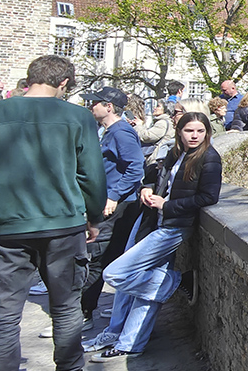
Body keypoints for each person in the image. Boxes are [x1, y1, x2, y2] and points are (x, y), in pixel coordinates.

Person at [0, 55, 106, 370]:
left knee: (3, 314)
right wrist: (94, 215)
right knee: (66, 308)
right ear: (64, 83)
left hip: (5, 227)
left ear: (31, 77)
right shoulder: (77, 116)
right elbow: (91, 175)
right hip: (62, 224)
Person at [83, 112, 222, 362]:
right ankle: (125, 340)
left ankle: (177, 281)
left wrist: (166, 205)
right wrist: (146, 188)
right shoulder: (175, 152)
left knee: (115, 274)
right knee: (142, 287)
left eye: (200, 131)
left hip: (173, 227)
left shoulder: (209, 158)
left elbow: (209, 197)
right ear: (179, 131)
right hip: (150, 221)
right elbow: (153, 173)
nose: (195, 136)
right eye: (189, 131)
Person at [75, 87, 145, 334]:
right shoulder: (110, 131)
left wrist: (114, 196)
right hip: (112, 203)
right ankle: (117, 308)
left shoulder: (121, 132)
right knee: (109, 257)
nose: (90, 106)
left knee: (98, 258)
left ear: (109, 107)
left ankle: (83, 314)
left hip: (117, 206)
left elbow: (136, 167)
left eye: (95, 103)